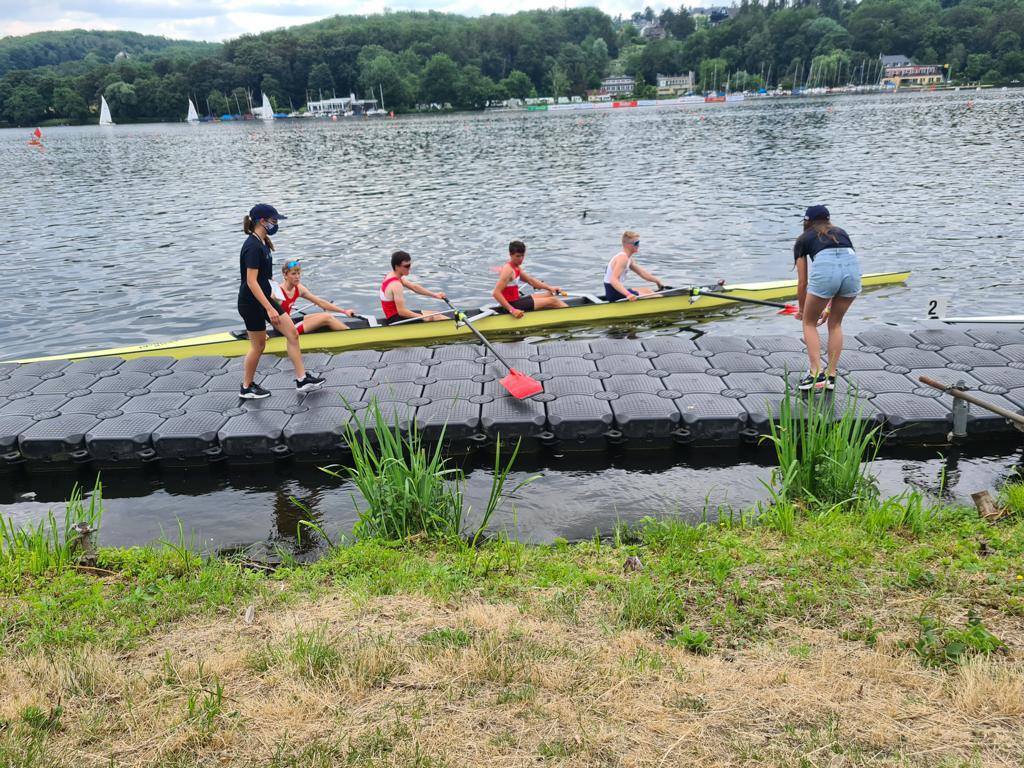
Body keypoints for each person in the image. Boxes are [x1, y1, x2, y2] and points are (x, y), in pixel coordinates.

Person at [236, 203, 325, 399]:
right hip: (251, 303)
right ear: (262, 221)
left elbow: (262, 278)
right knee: (258, 346)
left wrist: (274, 289)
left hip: (264, 299)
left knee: (292, 334)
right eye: (274, 220)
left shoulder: (263, 242)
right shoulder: (252, 246)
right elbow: (251, 282)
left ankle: (302, 379)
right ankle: (246, 387)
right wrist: (269, 308)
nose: (276, 224)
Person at [793, 205, 862, 391]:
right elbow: (842, 266)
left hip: (826, 274)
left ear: (806, 222)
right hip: (852, 273)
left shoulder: (803, 239)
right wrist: (829, 308)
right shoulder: (841, 232)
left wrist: (802, 310)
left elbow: (802, 282)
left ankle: (816, 373)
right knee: (835, 324)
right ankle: (831, 376)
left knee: (809, 323)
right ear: (828, 219)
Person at [273, 259, 355, 334]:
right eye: (293, 274)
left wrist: (344, 311)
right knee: (327, 317)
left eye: (298, 273)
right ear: (285, 275)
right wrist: (264, 333)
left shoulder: (299, 288)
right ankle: (351, 335)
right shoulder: (277, 293)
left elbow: (320, 302)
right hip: (285, 330)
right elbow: (265, 308)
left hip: (290, 322)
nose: (297, 277)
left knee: (324, 315)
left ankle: (345, 331)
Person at [492, 240, 568, 318]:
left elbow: (531, 281)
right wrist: (512, 310)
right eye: (518, 256)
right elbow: (496, 293)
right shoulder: (508, 270)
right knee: (553, 301)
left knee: (549, 294)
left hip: (517, 300)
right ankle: (570, 315)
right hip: (511, 305)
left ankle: (560, 313)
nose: (521, 259)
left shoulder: (516, 267)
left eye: (522, 256)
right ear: (510, 255)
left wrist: (550, 288)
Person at [380, 250, 448, 324]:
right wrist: (422, 317)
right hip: (395, 320)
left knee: (434, 313)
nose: (409, 268)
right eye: (406, 266)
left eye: (409, 265)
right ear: (397, 267)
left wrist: (435, 295)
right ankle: (455, 326)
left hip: (395, 316)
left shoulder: (392, 275)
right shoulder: (396, 284)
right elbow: (401, 312)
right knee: (436, 317)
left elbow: (414, 287)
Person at [603, 230, 666, 302]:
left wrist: (657, 281)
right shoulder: (622, 258)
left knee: (647, 290)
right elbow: (613, 280)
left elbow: (642, 273)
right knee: (656, 297)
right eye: (636, 243)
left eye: (638, 242)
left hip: (615, 291)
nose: (638, 245)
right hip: (614, 294)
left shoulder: (628, 258)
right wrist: (628, 294)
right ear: (628, 245)